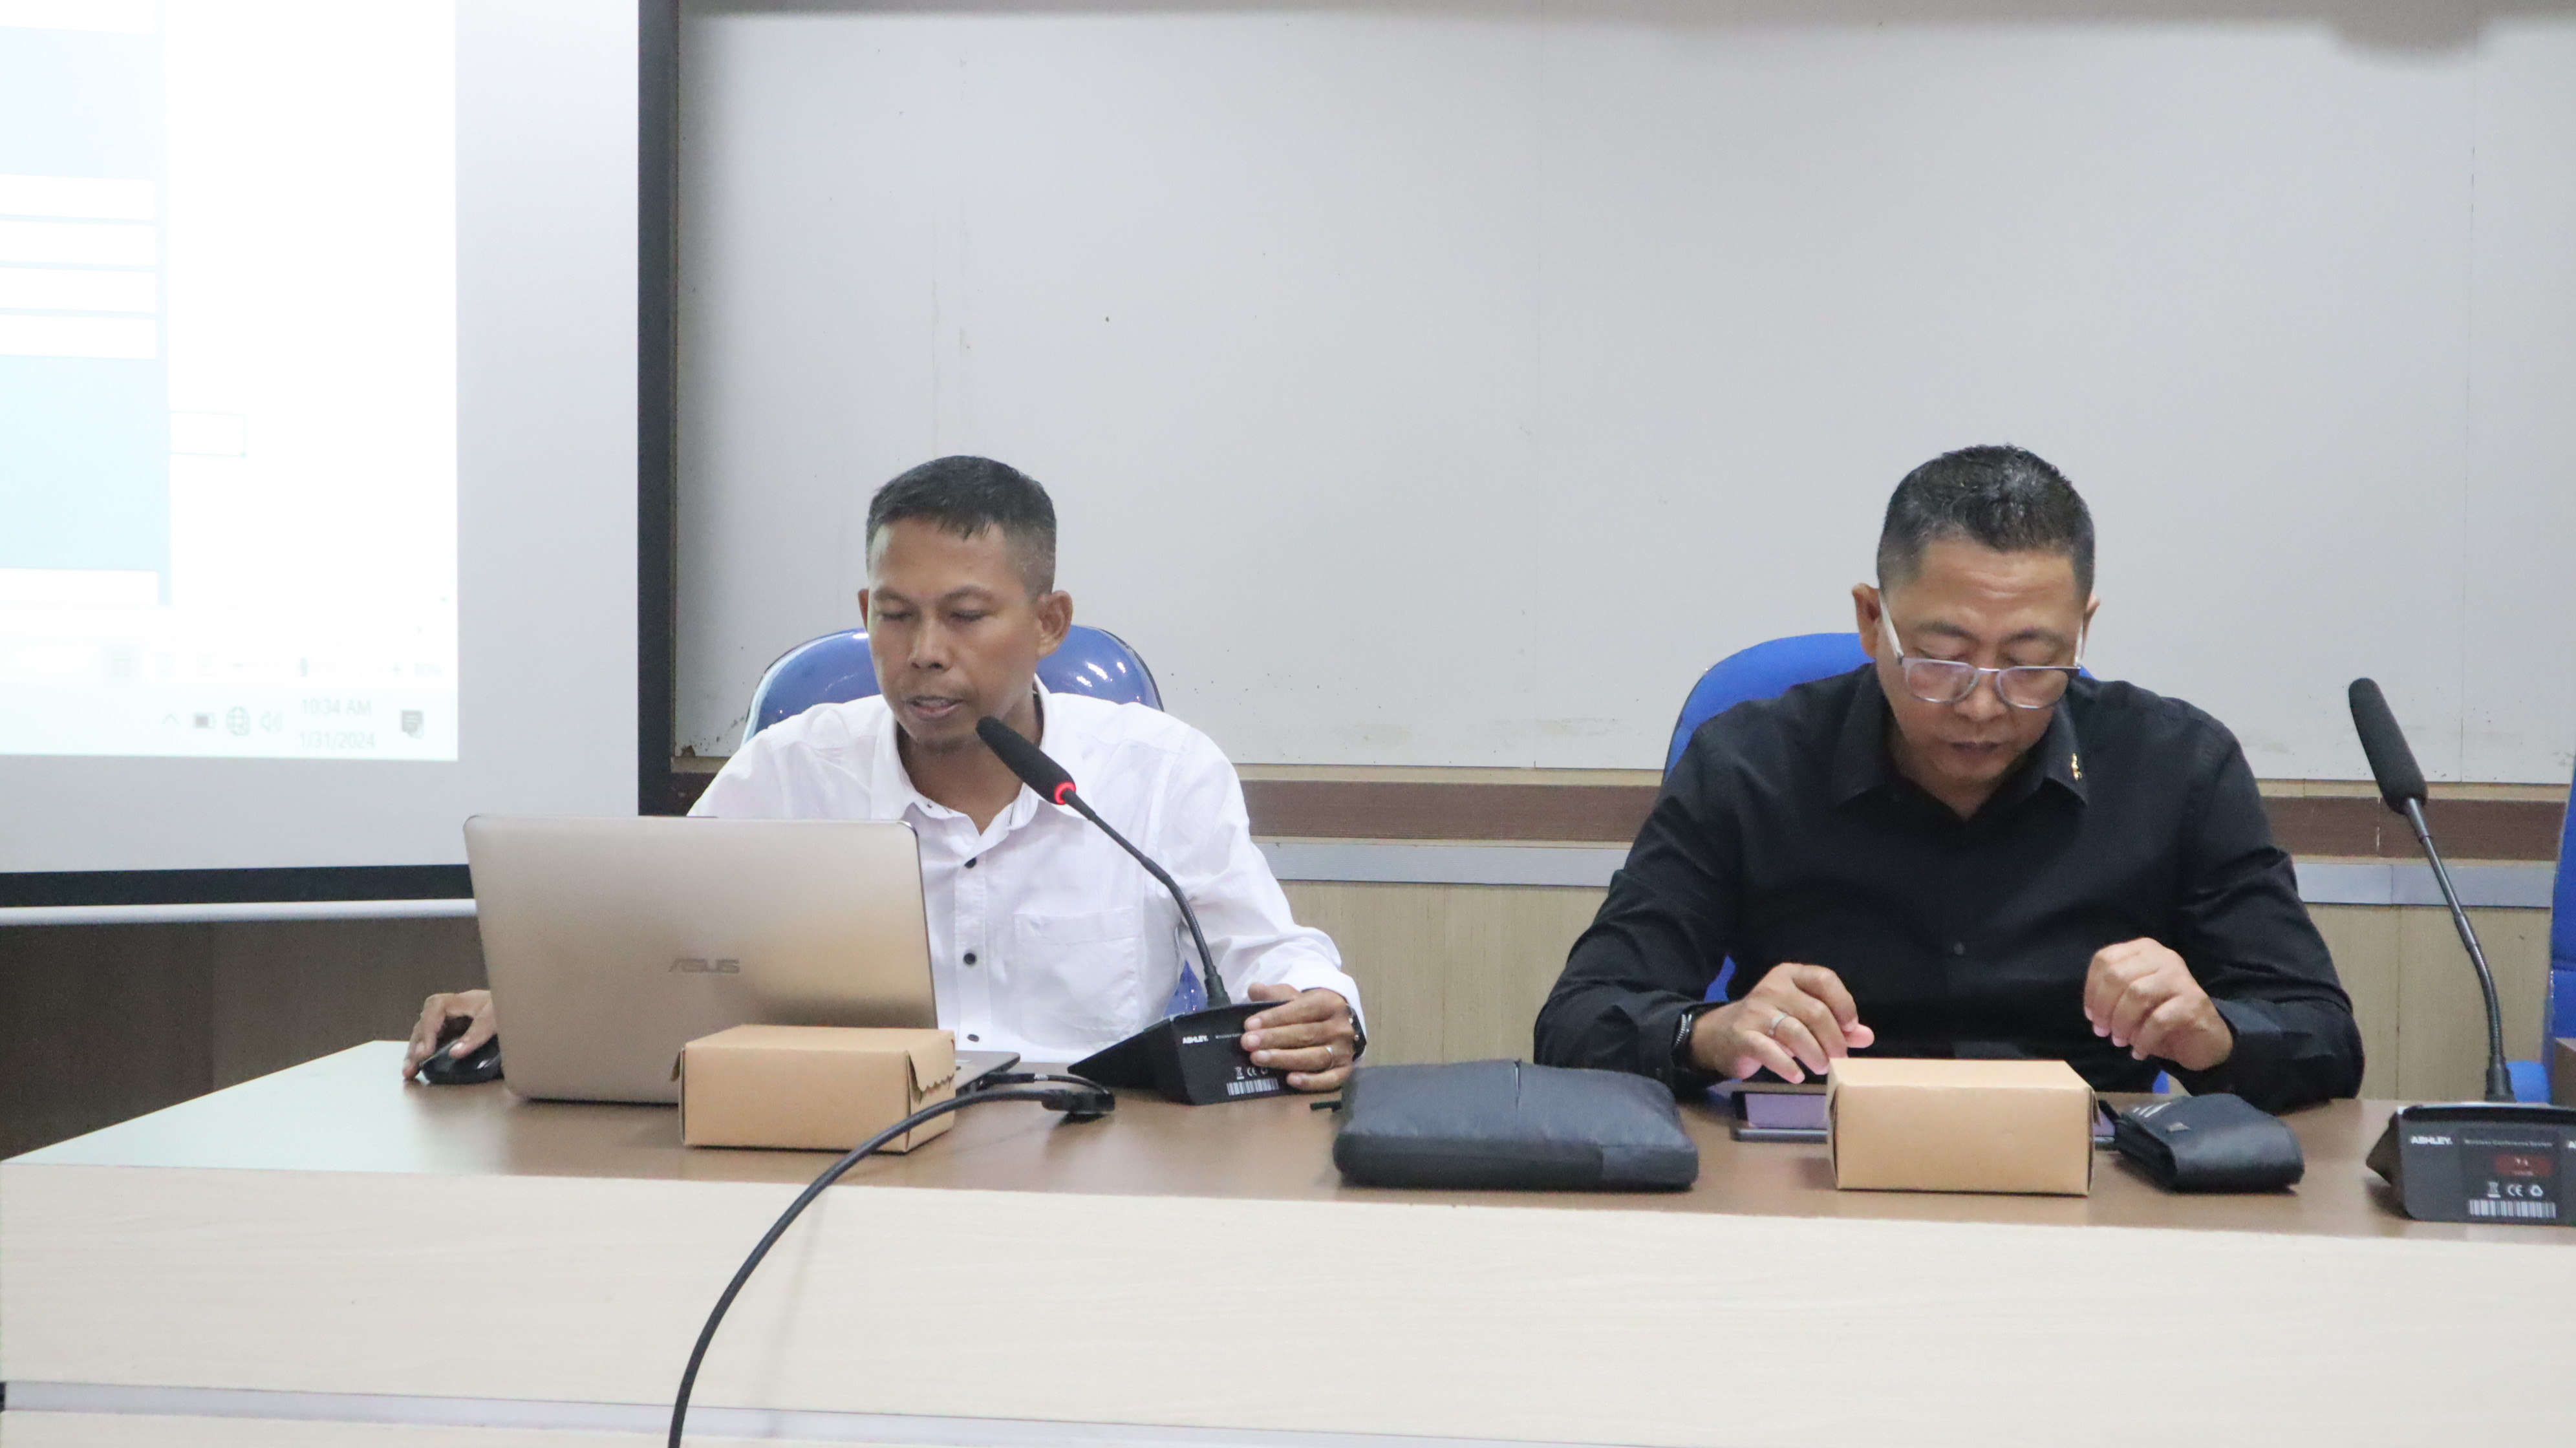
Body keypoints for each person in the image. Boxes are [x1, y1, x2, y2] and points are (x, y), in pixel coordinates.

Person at [408, 456, 1364, 1087]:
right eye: (895, 616)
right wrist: (532, 1008)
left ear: (1048, 623)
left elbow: (1271, 955)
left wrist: (1320, 1007)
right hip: (843, 1158)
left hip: (1090, 1153)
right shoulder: (792, 771)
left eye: (966, 616)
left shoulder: (1158, 772)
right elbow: (650, 945)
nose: (924, 651)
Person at [1534, 445, 2361, 1112]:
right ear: (1872, 621)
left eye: (2033, 663)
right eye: (1942, 659)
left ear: (2082, 630)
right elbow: (1578, 1019)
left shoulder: (2176, 766)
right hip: (1809, 1172)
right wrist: (1709, 1034)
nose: (1983, 705)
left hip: (2091, 1178)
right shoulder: (1751, 763)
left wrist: (2216, 1036)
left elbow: (2323, 1035)